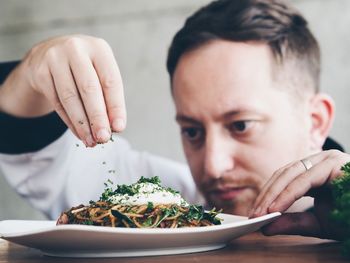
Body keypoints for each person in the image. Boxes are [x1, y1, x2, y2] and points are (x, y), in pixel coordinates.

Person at [0, 0, 349, 241]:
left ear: (316, 122)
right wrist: (34, 69)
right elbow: (33, 146)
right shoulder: (157, 206)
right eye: (193, 131)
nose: (212, 166)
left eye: (240, 125)